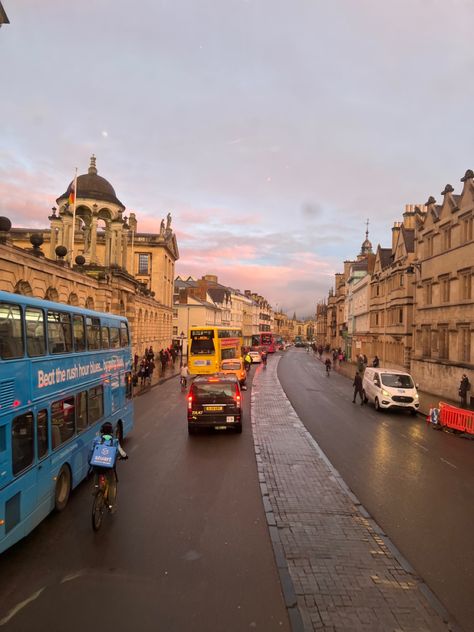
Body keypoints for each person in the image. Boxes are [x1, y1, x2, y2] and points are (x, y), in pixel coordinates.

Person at [90, 422, 128, 512]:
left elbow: (91, 453)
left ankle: (95, 489)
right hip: (109, 468)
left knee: (96, 473)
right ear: (111, 432)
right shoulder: (115, 441)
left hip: (97, 467)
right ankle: (111, 506)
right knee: (111, 484)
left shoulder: (96, 440)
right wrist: (125, 456)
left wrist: (90, 463)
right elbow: (122, 453)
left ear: (101, 431)